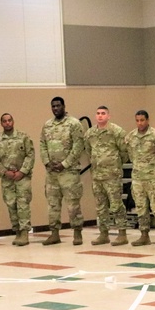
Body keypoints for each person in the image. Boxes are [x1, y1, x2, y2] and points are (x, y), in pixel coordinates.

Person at [39, 96, 85, 246]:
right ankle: (54, 233)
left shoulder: (74, 124)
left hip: (69, 172)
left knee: (73, 204)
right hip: (52, 174)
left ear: (64, 106)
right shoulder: (47, 125)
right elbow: (42, 144)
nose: (55, 108)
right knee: (53, 204)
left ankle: (77, 233)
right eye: (53, 106)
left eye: (58, 106)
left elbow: (78, 147)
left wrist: (65, 164)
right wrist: (47, 162)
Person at [84, 106, 129, 246]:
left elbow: (124, 152)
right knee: (100, 206)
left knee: (116, 205)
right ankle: (104, 234)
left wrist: (114, 164)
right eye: (97, 113)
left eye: (103, 113)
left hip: (112, 175)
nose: (100, 116)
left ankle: (122, 233)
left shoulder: (116, 131)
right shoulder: (90, 133)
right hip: (97, 176)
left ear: (108, 116)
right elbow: (88, 151)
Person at [125, 110, 155, 247]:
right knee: (141, 207)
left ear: (148, 120)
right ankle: (144, 234)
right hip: (138, 177)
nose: (140, 123)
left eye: (142, 120)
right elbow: (131, 155)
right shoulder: (131, 136)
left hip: (153, 177)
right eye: (137, 120)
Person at [0, 113, 35, 246]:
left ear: (13, 121)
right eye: (4, 121)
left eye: (9, 120)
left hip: (22, 177)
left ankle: (25, 233)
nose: (7, 123)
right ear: (1, 123)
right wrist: (5, 172)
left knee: (23, 204)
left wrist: (22, 171)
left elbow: (30, 155)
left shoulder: (23, 137)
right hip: (7, 179)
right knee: (11, 205)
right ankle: (17, 232)